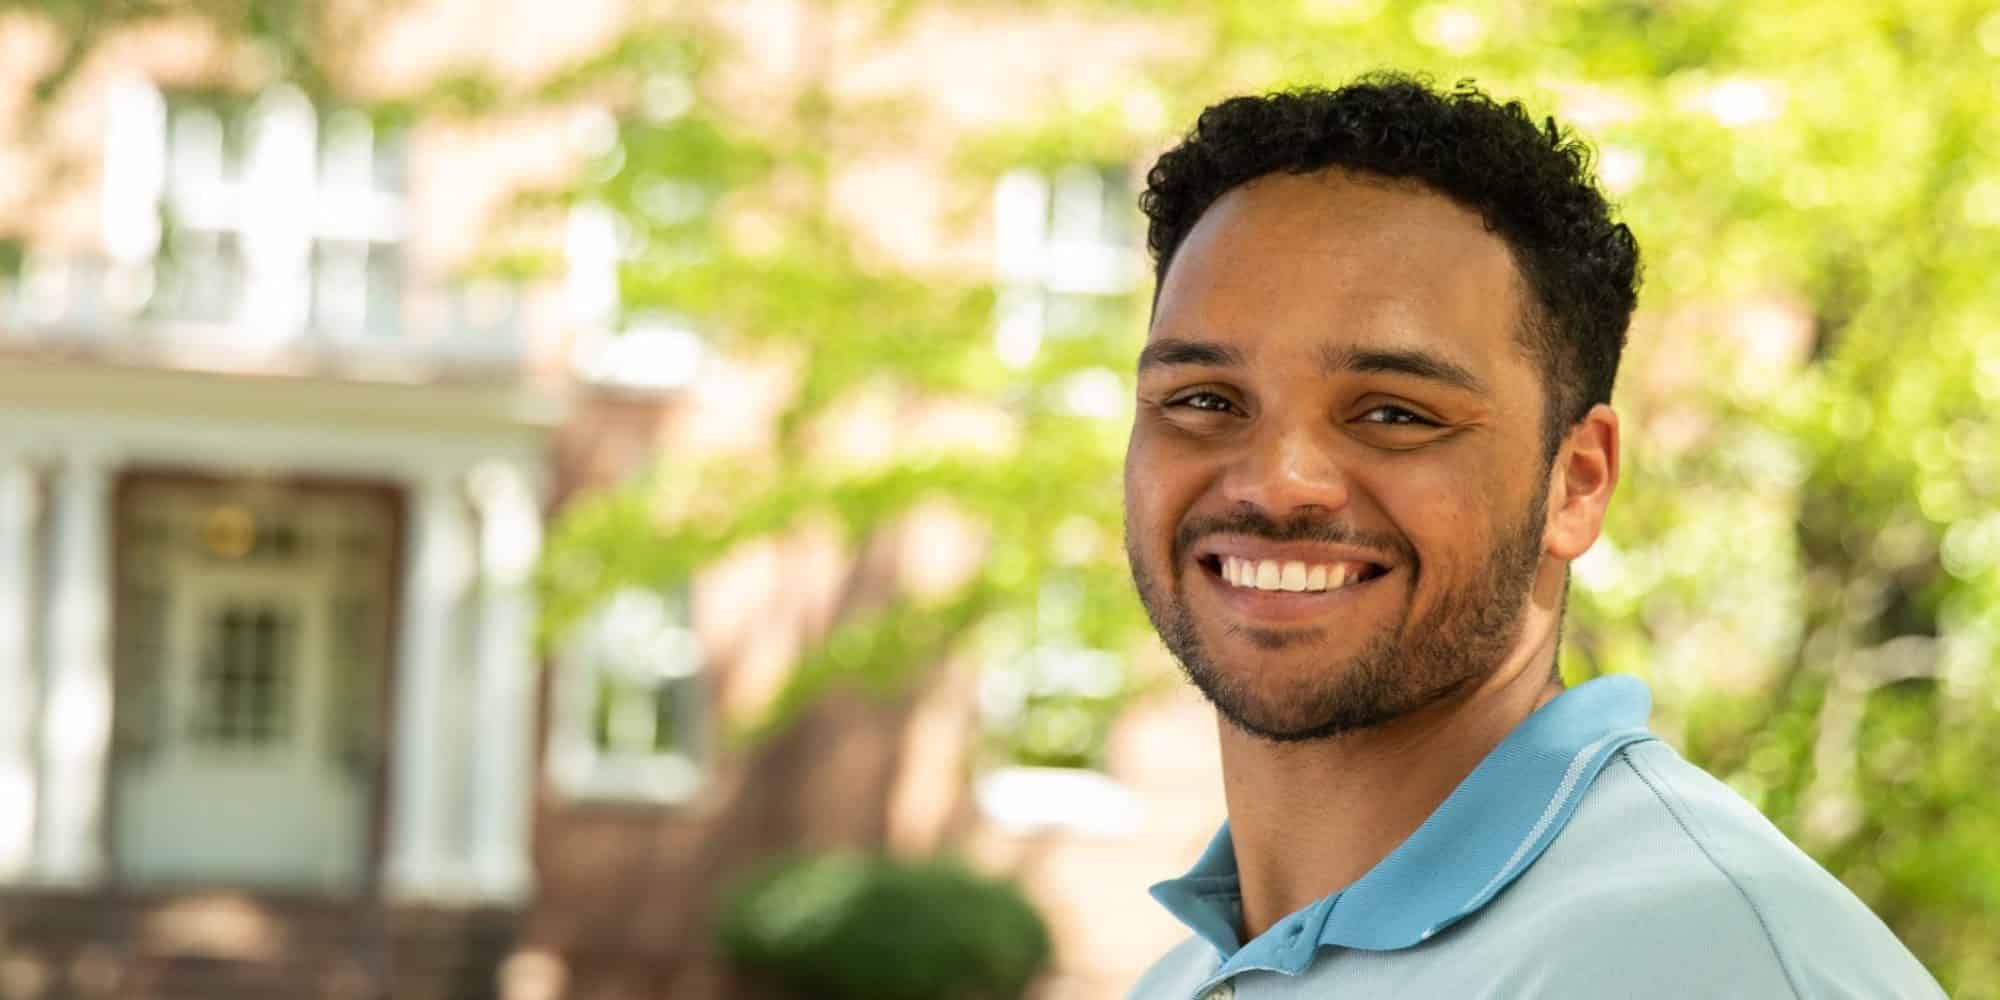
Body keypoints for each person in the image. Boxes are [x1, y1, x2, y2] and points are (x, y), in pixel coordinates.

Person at [1121, 75, 1944, 999]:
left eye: (1393, 412)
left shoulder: (1706, 963)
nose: (1277, 482)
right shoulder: (1183, 978)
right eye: (1203, 400)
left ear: (1576, 483)